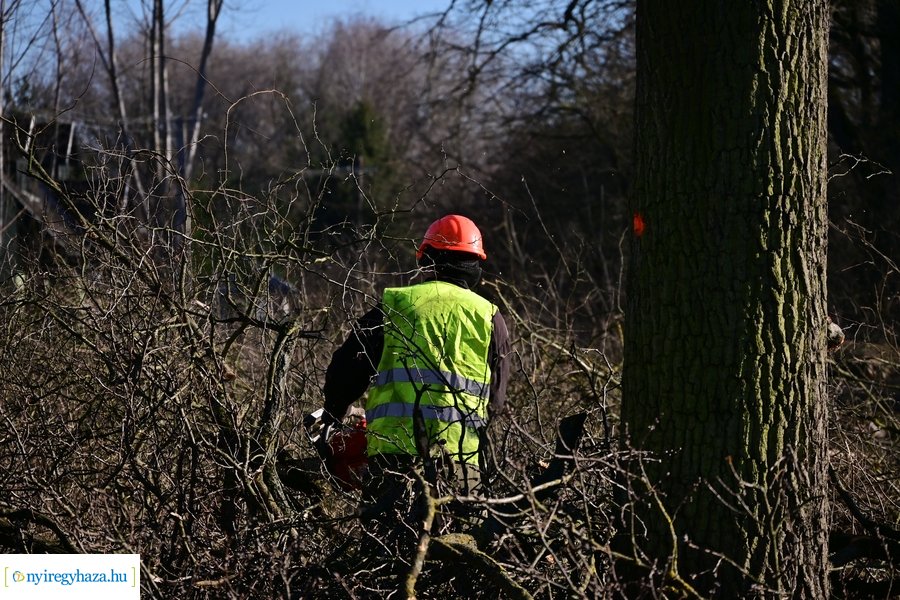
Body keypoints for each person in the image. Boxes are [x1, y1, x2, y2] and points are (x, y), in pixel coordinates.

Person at [321, 214, 511, 511]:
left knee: (386, 550)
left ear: (426, 260)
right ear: (475, 264)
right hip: (462, 465)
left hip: (394, 463)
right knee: (456, 549)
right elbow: (495, 402)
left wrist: (333, 416)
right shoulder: (490, 317)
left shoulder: (397, 305)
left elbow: (345, 373)